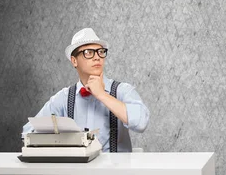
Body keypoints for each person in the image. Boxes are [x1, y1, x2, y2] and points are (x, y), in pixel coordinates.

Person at [22, 28, 150, 152]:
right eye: (88, 52)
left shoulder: (123, 91)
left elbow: (141, 123)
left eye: (100, 51)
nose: (97, 57)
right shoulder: (63, 98)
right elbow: (27, 132)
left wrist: (102, 95)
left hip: (115, 171)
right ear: (74, 61)